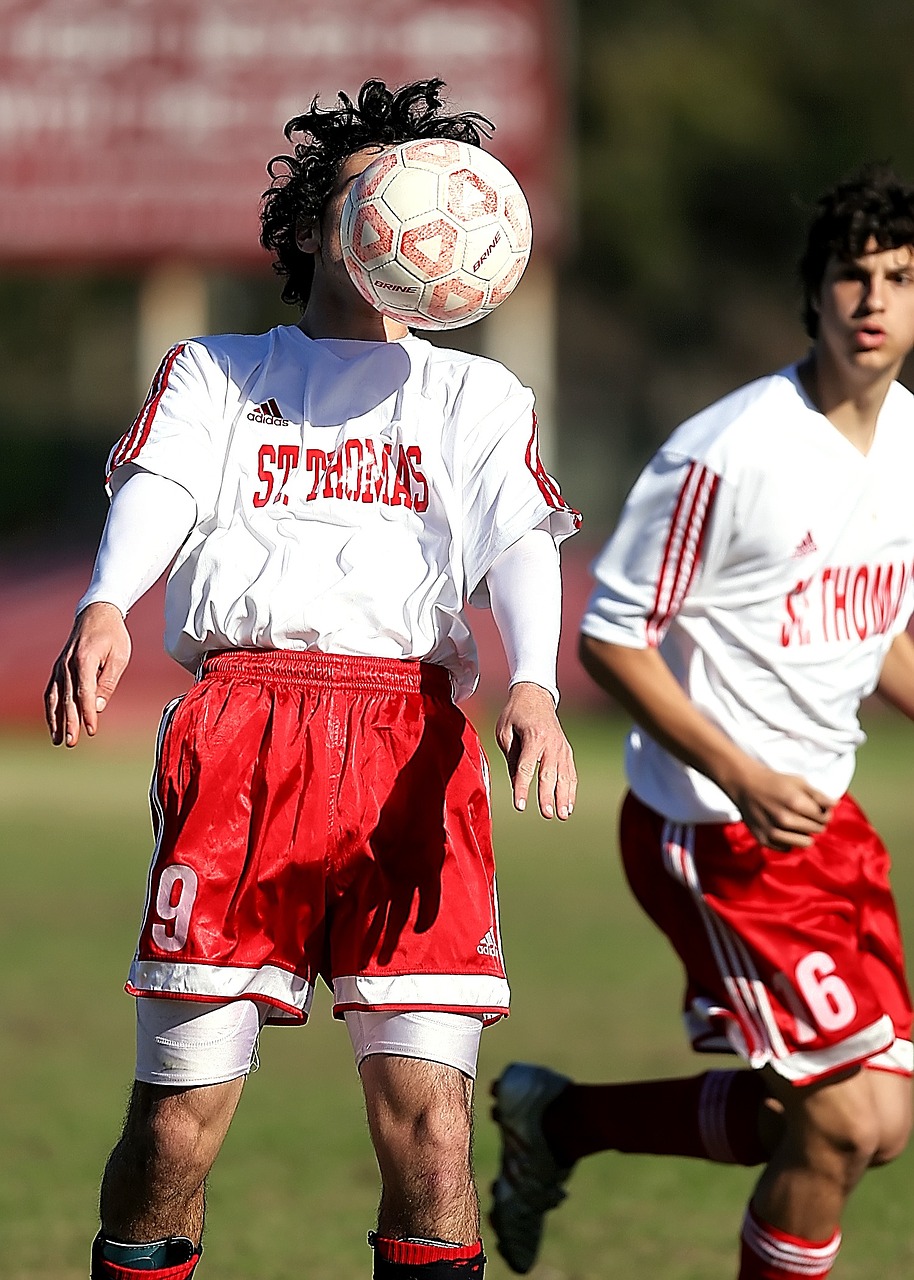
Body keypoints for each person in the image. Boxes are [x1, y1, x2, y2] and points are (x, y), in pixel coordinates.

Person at [44, 78, 580, 1280]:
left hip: (411, 748)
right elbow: (161, 488)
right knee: (179, 1121)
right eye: (369, 187)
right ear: (314, 225)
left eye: (425, 186)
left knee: (433, 1133)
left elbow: (515, 541)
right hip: (243, 733)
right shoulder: (221, 368)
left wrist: (532, 682)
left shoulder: (475, 395)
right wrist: (103, 602)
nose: (407, 206)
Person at [489, 163, 914, 1280]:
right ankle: (558, 1124)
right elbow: (608, 638)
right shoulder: (723, 452)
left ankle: (558, 1122)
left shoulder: (908, 443)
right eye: (849, 276)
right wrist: (740, 770)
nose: (871, 300)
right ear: (810, 295)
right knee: (840, 1120)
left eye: (898, 278)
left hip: (824, 823)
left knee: (850, 1120)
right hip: (712, 829)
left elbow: (874, 633)